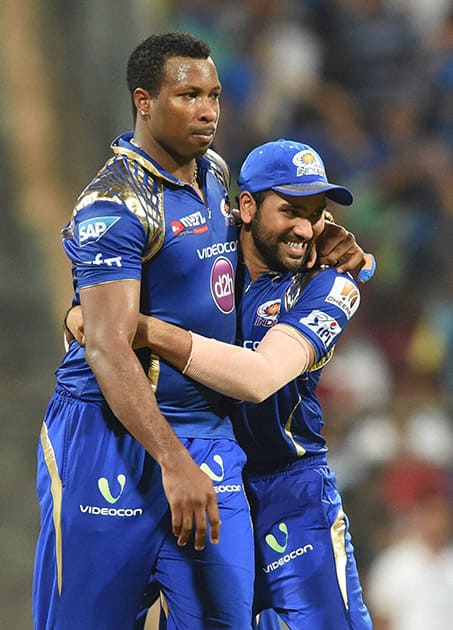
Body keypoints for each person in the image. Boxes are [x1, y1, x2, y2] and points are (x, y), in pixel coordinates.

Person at [33, 31, 255, 630]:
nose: (208, 110)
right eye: (189, 96)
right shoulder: (113, 204)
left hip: (205, 436)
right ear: (144, 101)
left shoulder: (214, 172)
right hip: (105, 442)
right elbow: (106, 345)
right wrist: (171, 460)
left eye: (214, 95)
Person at [114, 139, 374, 628]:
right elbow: (110, 273)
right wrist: (89, 312)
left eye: (316, 213)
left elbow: (258, 380)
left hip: (289, 491)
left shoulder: (332, 282)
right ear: (247, 207)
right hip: (198, 479)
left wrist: (139, 327)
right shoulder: (202, 253)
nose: (306, 227)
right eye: (290, 210)